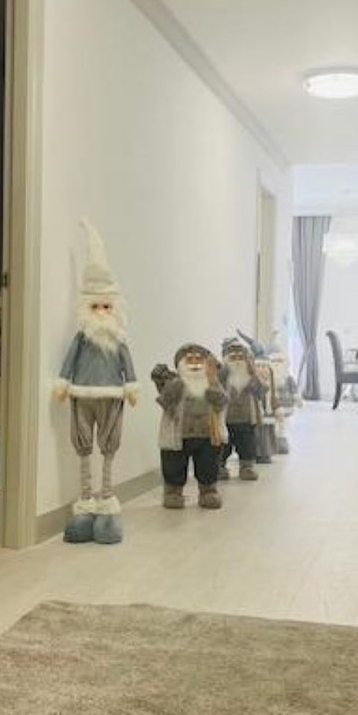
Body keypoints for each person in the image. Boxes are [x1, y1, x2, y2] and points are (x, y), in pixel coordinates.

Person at [52, 220, 138, 544]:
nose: (101, 311)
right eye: (95, 306)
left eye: (106, 306)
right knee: (83, 444)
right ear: (86, 308)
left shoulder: (119, 340)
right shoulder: (82, 338)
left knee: (109, 444)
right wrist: (63, 383)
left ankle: (107, 500)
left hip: (112, 395)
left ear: (114, 308)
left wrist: (131, 386)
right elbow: (69, 361)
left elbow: (128, 365)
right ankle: (86, 500)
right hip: (81, 395)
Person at [153, 344, 227, 510]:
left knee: (208, 464)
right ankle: (173, 492)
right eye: (189, 359)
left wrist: (213, 384)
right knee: (174, 463)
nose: (195, 363)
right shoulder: (175, 384)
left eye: (199, 359)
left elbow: (222, 402)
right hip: (178, 433)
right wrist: (165, 384)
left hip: (208, 434)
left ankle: (208, 491)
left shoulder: (212, 383)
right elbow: (165, 402)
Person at [217, 337, 262, 481]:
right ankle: (219, 466)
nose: (237, 360)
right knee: (223, 445)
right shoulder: (221, 377)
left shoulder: (251, 376)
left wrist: (254, 374)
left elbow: (262, 391)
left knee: (247, 445)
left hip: (246, 418)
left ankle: (247, 467)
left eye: (240, 357)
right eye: (233, 357)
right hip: (225, 419)